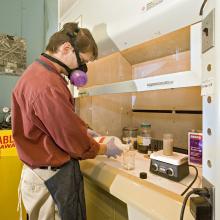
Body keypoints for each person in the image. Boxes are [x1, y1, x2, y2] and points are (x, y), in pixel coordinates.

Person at [11, 22, 122, 220]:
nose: (81, 69)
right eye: (81, 62)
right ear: (66, 48)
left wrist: (84, 129)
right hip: (50, 178)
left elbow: (56, 121)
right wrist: (104, 149)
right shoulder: (47, 84)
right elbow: (72, 140)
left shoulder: (38, 73)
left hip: (41, 173)